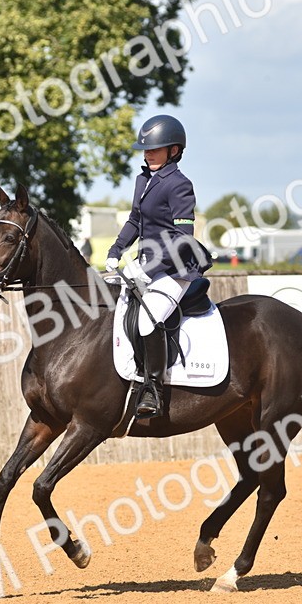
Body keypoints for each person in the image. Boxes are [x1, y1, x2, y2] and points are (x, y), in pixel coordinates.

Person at [106, 114, 207, 419]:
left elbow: (182, 238)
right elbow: (135, 220)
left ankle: (153, 389)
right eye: (145, 149)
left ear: (174, 151)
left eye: (155, 149)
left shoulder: (179, 185)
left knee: (148, 321)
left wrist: (148, 270)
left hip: (176, 270)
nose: (147, 154)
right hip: (145, 263)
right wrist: (116, 250)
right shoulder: (144, 180)